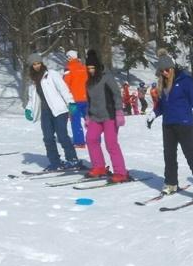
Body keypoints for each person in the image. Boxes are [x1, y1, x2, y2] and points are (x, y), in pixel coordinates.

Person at [146, 49, 193, 200]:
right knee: (169, 155)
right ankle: (171, 183)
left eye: (166, 70)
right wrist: (153, 114)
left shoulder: (185, 81)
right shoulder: (163, 84)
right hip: (168, 124)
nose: (164, 73)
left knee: (190, 155)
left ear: (172, 67)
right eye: (162, 71)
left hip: (184, 124)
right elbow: (162, 105)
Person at [23, 52, 83, 171]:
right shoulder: (33, 81)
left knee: (62, 136)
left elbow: (63, 89)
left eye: (38, 63)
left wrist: (70, 102)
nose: (37, 66)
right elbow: (32, 98)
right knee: (48, 138)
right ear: (31, 66)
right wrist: (28, 109)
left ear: (42, 63)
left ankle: (73, 160)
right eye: (34, 64)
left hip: (59, 110)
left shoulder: (51, 75)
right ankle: (55, 162)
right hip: (45, 112)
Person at [83, 50, 129, 183]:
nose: (91, 70)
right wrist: (88, 115)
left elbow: (116, 94)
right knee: (91, 139)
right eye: (88, 68)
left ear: (97, 67)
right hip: (95, 117)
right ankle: (99, 167)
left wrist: (119, 111)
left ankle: (121, 172)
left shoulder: (106, 77)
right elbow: (89, 100)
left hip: (110, 116)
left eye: (93, 67)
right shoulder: (89, 82)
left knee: (111, 144)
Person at [64, 50, 89, 148]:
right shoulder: (84, 67)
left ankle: (79, 142)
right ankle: (95, 139)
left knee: (75, 121)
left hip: (73, 100)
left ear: (70, 57)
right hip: (86, 99)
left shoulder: (68, 68)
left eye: (67, 57)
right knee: (90, 120)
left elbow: (65, 84)